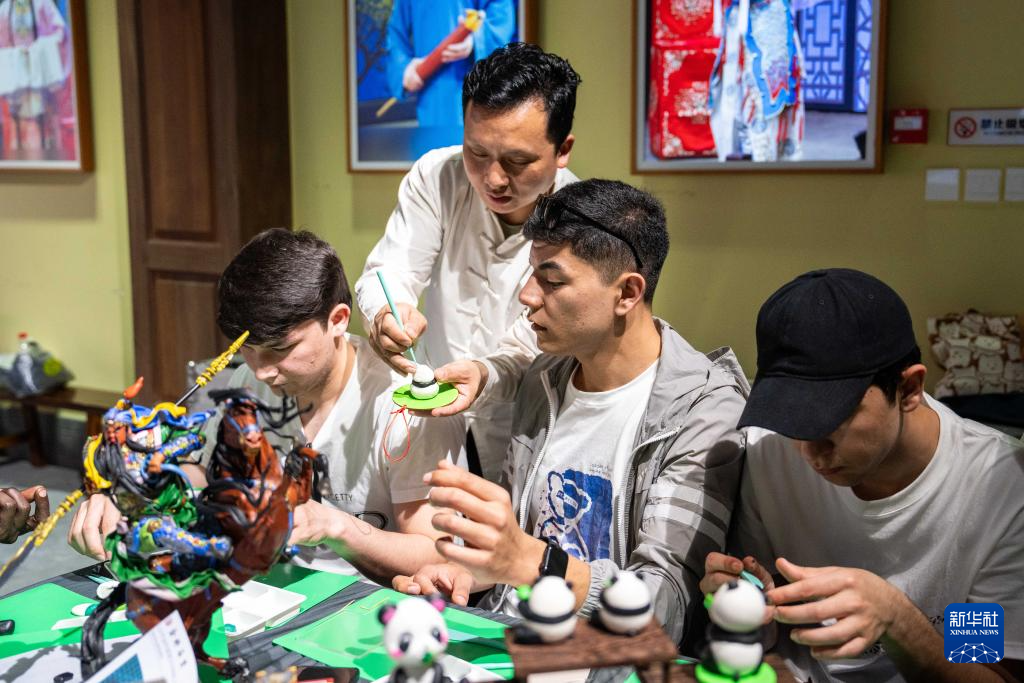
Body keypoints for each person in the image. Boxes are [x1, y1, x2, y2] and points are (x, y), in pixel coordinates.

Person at [394, 179, 748, 643]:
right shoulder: (545, 378)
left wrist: (533, 562)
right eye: (531, 273)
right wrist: (470, 572)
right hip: (513, 638)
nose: (527, 295)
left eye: (553, 280)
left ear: (627, 293)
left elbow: (666, 606)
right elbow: (519, 552)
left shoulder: (702, 411)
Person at [69, 229, 466, 584]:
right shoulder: (249, 381)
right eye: (249, 350)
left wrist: (335, 526)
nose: (261, 371)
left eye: (280, 348)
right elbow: (205, 472)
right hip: (271, 589)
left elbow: (442, 557)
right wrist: (135, 493)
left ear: (338, 320)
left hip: (376, 610)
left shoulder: (406, 408)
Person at [701, 268, 1024, 682]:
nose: (810, 452)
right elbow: (766, 631)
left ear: (908, 389)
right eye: (791, 419)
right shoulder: (771, 451)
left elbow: (981, 671)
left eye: (831, 421)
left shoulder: (994, 492)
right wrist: (747, 603)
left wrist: (896, 619)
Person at [356, 41, 582, 483]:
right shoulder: (438, 176)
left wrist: (485, 374)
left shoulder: (582, 221)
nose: (494, 179)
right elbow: (391, 270)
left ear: (563, 149)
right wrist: (388, 311)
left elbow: (535, 346)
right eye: (477, 153)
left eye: (517, 161)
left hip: (530, 432)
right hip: (435, 423)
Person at [386, 0, 515, 132]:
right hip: (432, 96)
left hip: (476, 86)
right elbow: (396, 31)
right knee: (435, 141)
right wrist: (404, 69)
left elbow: (501, 13)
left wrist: (476, 41)